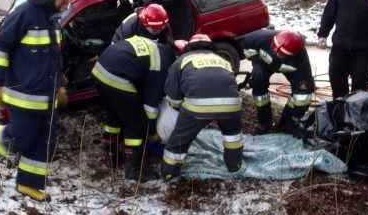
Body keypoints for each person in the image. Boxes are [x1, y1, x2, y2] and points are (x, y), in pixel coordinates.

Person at [0, 0, 80, 202]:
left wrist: (60, 85)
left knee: (45, 141)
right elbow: (0, 49)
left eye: (69, 0)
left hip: (47, 98)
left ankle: (29, 184)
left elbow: (54, 60)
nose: (67, 4)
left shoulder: (53, 22)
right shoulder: (24, 15)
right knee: (21, 138)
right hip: (22, 95)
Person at [161, 34, 244, 181]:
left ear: (188, 47)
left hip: (197, 108)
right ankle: (234, 166)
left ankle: (169, 174)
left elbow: (173, 96)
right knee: (233, 136)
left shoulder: (182, 61)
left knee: (178, 141)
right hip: (231, 105)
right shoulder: (222, 60)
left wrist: (178, 109)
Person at [91, 34, 173, 181]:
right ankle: (133, 171)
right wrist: (152, 130)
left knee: (113, 116)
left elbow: (140, 77)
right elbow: (150, 106)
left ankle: (112, 156)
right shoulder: (162, 64)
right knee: (136, 124)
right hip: (119, 79)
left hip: (99, 71)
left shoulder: (152, 48)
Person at [318, 0, 368, 100]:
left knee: (359, 88)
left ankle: (355, 116)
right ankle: (339, 113)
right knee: (336, 80)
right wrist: (323, 34)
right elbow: (329, 15)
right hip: (340, 47)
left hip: (364, 50)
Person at [242, 29, 314, 134]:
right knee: (258, 79)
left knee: (301, 97)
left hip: (289, 69)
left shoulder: (301, 63)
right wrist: (257, 62)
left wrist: (296, 115)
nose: (275, 53)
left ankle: (286, 125)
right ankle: (264, 123)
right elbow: (247, 50)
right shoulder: (256, 38)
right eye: (274, 48)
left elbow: (304, 94)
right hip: (264, 63)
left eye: (281, 54)